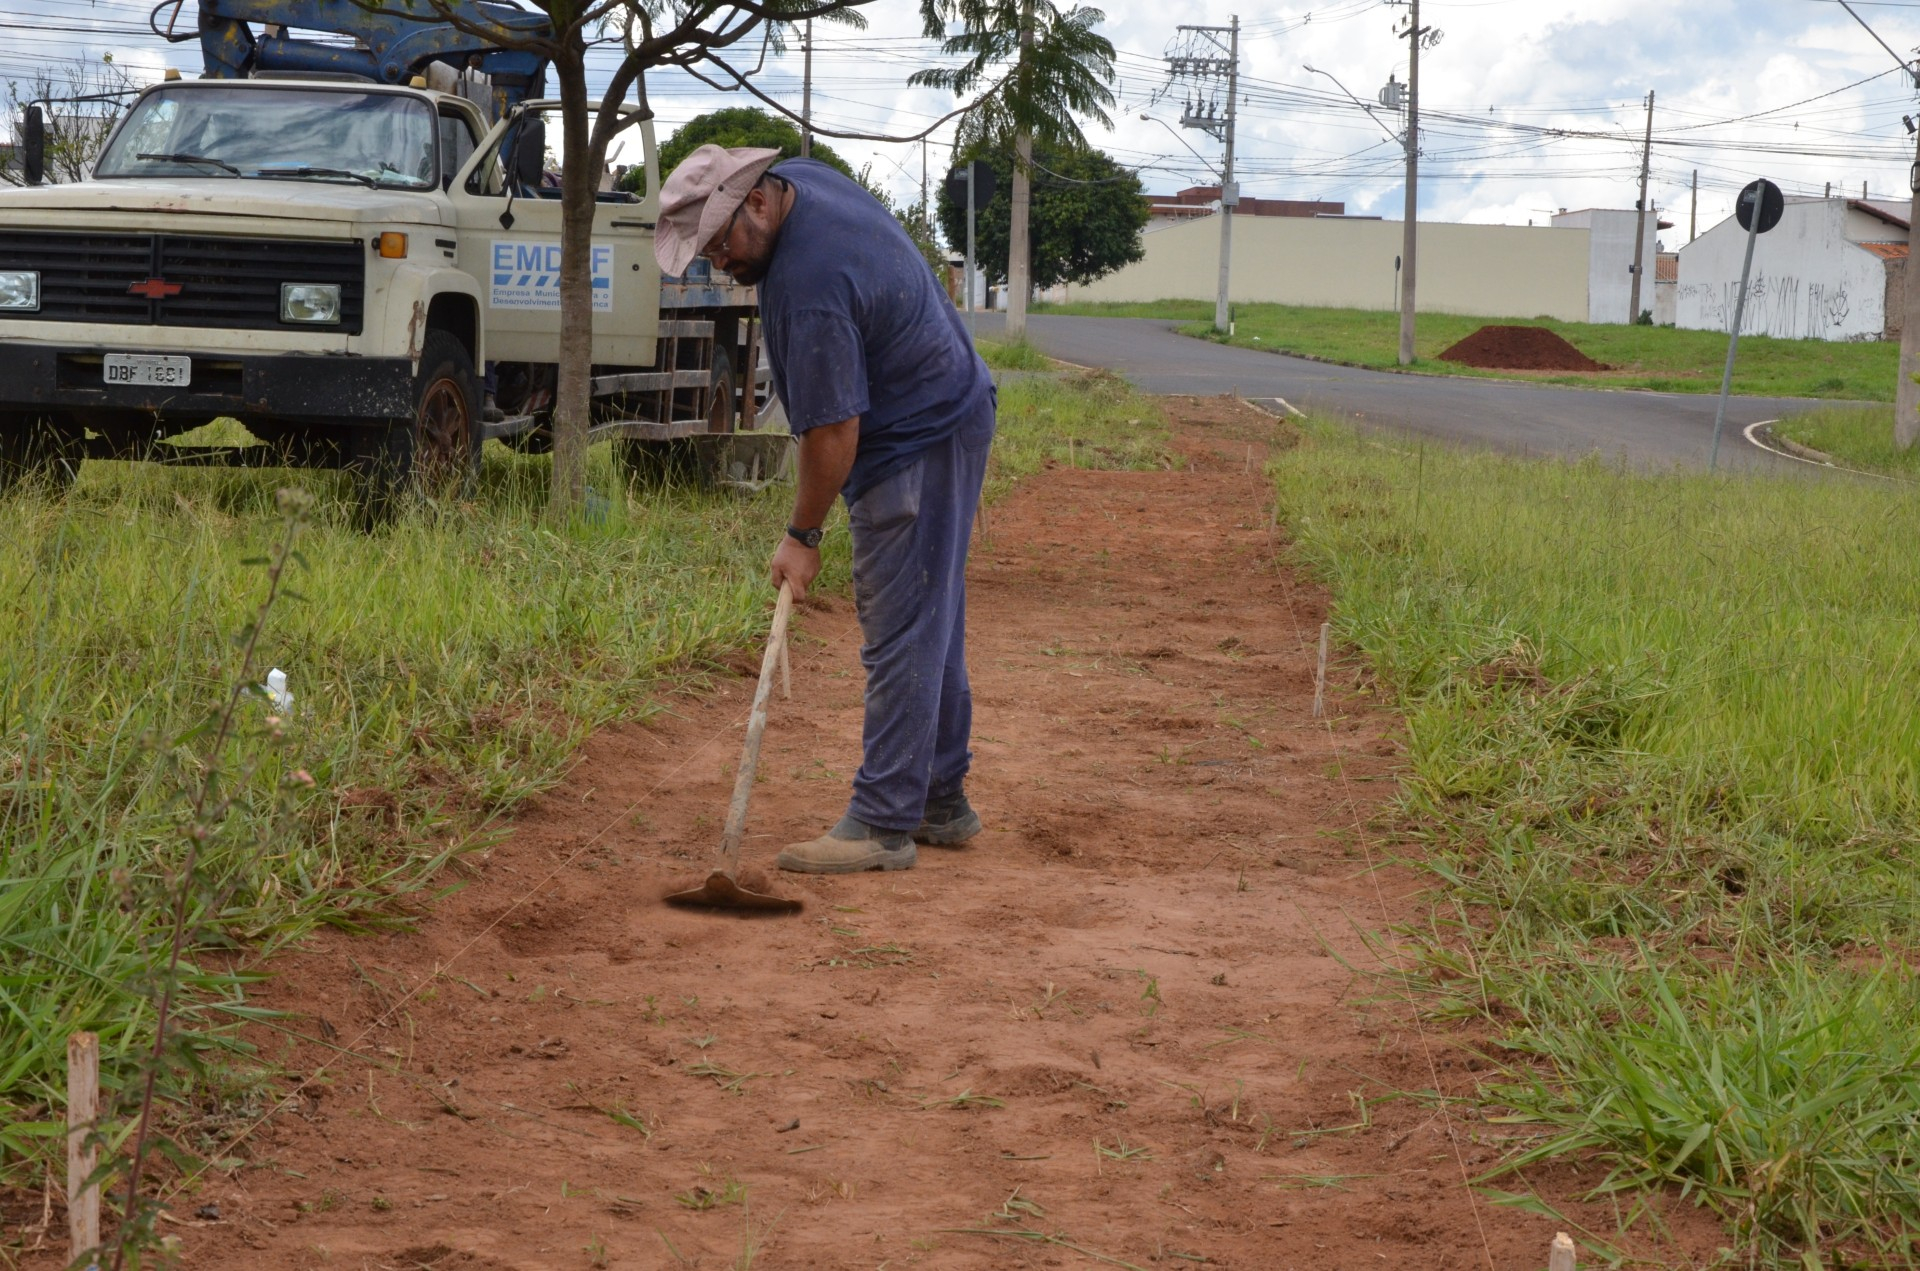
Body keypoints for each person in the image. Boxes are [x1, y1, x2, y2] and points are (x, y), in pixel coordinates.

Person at [654, 144, 995, 875]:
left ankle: (883, 820)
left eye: (719, 242)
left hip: (919, 434)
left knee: (903, 627)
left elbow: (834, 431)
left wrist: (801, 535)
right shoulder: (801, 182)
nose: (719, 262)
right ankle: (938, 797)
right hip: (951, 405)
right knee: (930, 617)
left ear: (754, 201)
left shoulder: (804, 283)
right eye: (704, 251)